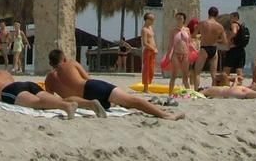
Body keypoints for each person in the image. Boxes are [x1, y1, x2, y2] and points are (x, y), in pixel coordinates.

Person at [45, 49, 184, 120]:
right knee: (133, 101)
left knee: (67, 99)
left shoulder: (49, 79)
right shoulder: (71, 64)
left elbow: (50, 99)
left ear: (51, 63)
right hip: (91, 87)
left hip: (82, 100)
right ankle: (165, 115)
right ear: (64, 58)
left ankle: (100, 104)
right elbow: (88, 78)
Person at [0, 54, 78, 119]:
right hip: (25, 84)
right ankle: (84, 103)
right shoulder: (4, 72)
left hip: (9, 90)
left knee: (37, 102)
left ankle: (66, 106)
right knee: (52, 98)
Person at [194, 6, 227, 90]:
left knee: (197, 72)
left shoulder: (202, 23)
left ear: (208, 13)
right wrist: (216, 40)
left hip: (204, 48)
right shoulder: (220, 26)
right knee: (213, 74)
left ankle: (196, 90)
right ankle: (213, 91)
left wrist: (200, 36)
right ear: (217, 15)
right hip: (214, 48)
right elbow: (225, 41)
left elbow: (194, 35)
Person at [166, 12, 191, 95]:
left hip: (185, 53)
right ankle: (170, 94)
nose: (179, 20)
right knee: (174, 75)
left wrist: (192, 52)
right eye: (177, 18)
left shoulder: (187, 30)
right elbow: (170, 44)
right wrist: (168, 56)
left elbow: (189, 42)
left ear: (184, 20)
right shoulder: (173, 31)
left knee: (185, 76)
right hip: (176, 54)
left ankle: (189, 93)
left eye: (180, 18)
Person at [222, 11, 246, 84]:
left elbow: (234, 33)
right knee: (239, 69)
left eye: (231, 17)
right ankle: (240, 85)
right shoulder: (241, 26)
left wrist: (228, 39)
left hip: (233, 49)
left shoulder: (234, 24)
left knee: (226, 68)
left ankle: (226, 85)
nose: (230, 19)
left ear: (236, 17)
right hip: (241, 49)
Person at [140, 12, 158, 93]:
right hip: (148, 51)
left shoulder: (150, 28)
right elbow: (145, 43)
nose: (153, 21)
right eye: (151, 19)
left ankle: (147, 86)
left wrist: (155, 48)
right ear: (147, 20)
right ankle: (145, 88)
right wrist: (153, 48)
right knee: (146, 69)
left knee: (151, 69)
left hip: (152, 51)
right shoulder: (144, 30)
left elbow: (152, 39)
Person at [187, 18, 202, 89]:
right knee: (191, 71)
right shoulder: (188, 33)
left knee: (196, 71)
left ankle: (195, 86)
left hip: (197, 53)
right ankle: (192, 85)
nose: (196, 26)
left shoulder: (199, 34)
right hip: (191, 54)